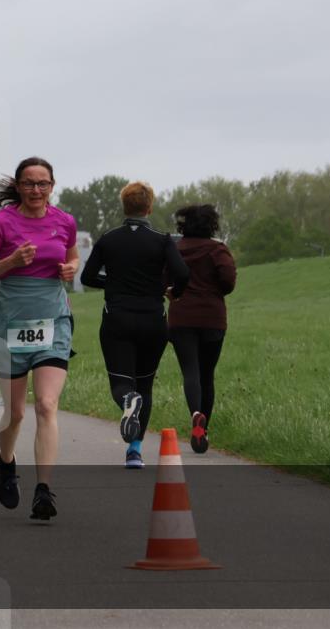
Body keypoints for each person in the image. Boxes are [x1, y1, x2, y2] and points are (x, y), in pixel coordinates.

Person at [0, 157, 78, 521]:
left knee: (46, 404)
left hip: (53, 320)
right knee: (15, 412)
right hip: (9, 322)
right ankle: (6, 462)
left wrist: (71, 268)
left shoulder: (64, 221)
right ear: (18, 187)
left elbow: (72, 257)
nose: (36, 190)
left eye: (43, 183)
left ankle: (43, 490)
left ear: (52, 186)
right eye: (29, 183)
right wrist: (11, 262)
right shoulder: (3, 222)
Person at [81, 182, 190, 469]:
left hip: (117, 318)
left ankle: (128, 401)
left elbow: (87, 277)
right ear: (149, 207)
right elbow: (182, 273)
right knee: (145, 385)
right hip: (153, 319)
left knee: (121, 382)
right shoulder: (162, 240)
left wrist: (113, 284)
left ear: (124, 207)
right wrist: (171, 291)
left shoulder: (108, 239)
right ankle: (135, 451)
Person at [167, 205, 237, 453]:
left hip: (181, 317)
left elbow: (164, 278)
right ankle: (203, 431)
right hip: (212, 318)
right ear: (211, 225)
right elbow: (228, 282)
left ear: (183, 225)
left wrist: (172, 290)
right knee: (207, 374)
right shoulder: (218, 250)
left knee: (191, 372)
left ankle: (196, 414)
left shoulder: (174, 249)